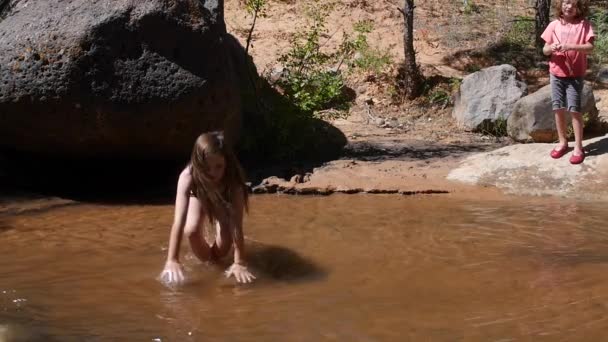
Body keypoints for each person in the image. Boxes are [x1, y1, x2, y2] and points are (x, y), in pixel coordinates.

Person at [159, 131, 256, 285]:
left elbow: (236, 224)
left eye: (219, 166)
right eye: (207, 167)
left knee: (222, 251)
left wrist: (239, 262)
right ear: (198, 163)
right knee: (191, 231)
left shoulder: (234, 181)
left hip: (224, 197)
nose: (212, 172)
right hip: (198, 195)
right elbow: (179, 221)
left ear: (227, 163)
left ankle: (219, 250)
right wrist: (172, 260)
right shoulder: (188, 176)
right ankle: (210, 266)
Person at [541, 0, 595, 164]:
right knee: (558, 108)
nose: (569, 6)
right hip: (556, 73)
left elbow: (590, 47)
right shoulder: (554, 25)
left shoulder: (584, 25)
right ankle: (562, 142)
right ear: (560, 5)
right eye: (566, 2)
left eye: (573, 4)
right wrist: (551, 48)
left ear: (579, 8)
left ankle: (579, 147)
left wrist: (570, 46)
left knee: (574, 110)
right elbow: (545, 50)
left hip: (575, 75)